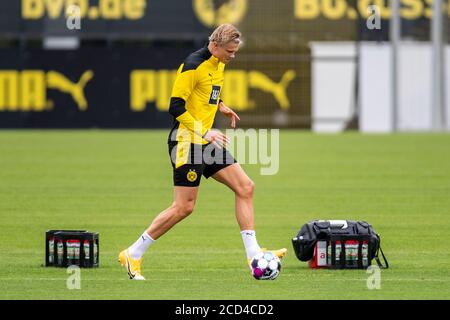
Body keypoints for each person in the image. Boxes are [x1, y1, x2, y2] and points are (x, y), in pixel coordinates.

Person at [119, 24, 286, 280]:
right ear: (215, 45)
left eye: (235, 51)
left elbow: (206, 93)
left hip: (205, 142)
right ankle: (133, 253)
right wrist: (205, 132)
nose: (233, 56)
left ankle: (254, 255)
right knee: (184, 207)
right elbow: (175, 106)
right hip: (186, 143)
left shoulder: (218, 64)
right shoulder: (193, 65)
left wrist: (221, 106)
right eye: (230, 51)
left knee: (245, 187)